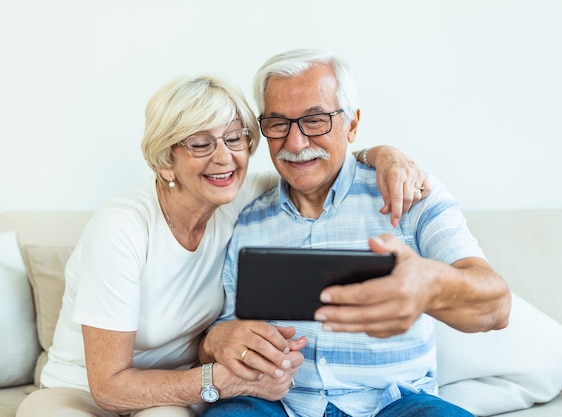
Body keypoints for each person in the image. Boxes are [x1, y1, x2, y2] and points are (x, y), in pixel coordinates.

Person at [16, 73, 430, 417]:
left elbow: (316, 166)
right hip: (85, 392)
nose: (224, 158)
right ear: (165, 159)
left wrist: (385, 155)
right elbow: (108, 386)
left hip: (174, 391)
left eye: (235, 139)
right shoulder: (120, 228)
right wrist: (220, 380)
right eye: (200, 143)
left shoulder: (237, 199)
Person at [199, 49, 512, 417]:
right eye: (278, 124)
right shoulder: (248, 219)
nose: (295, 143)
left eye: (315, 120)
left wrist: (429, 284)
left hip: (397, 404)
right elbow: (223, 330)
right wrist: (216, 341)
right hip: (278, 405)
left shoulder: (409, 191)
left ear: (352, 124)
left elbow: (496, 306)